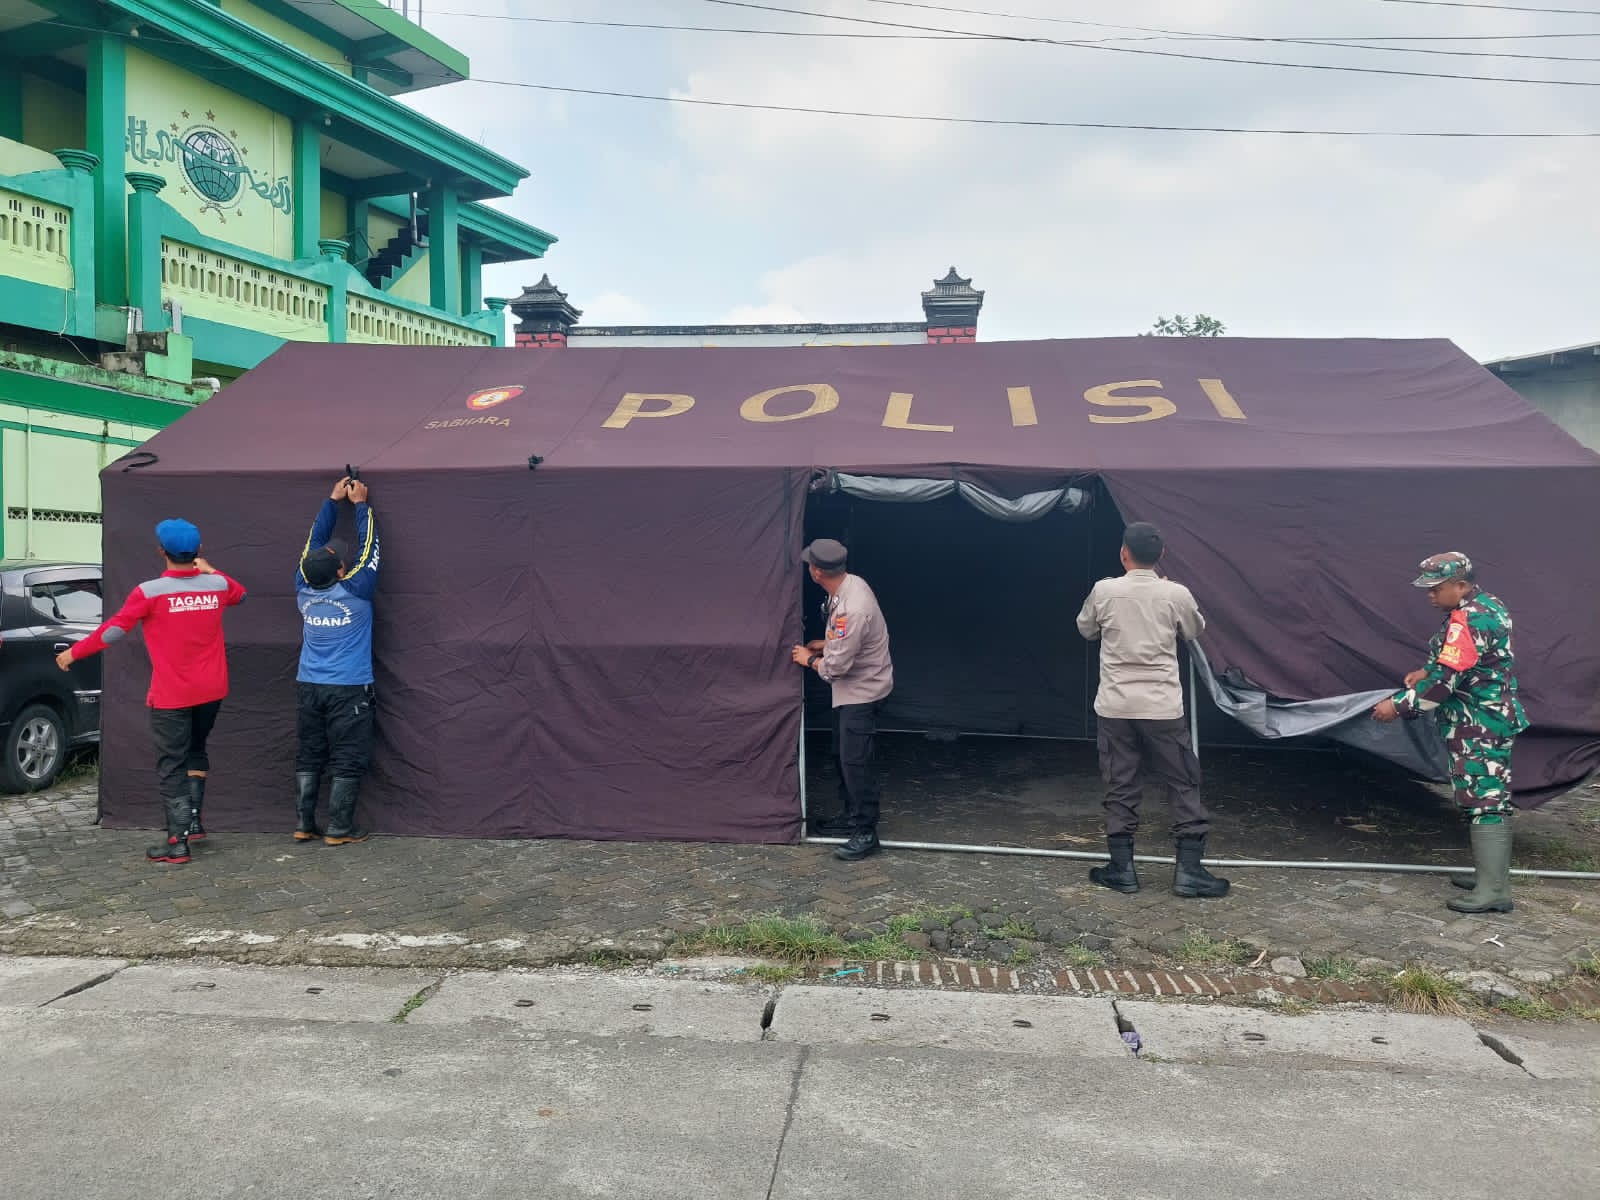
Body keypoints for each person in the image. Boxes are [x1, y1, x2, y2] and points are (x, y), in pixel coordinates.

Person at [55, 519, 246, 864]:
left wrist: (73, 652)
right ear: (198, 551)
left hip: (172, 695)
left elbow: (114, 631)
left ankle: (177, 842)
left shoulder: (150, 592)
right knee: (196, 751)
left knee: (172, 763)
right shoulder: (217, 585)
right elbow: (240, 593)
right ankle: (193, 824)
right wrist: (209, 569)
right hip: (213, 689)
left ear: (161, 551)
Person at [1076, 522, 1229, 899]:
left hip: (1116, 705)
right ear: (1161, 556)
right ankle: (1189, 872)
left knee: (1121, 782)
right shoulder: (1175, 593)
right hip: (1162, 706)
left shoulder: (1105, 590)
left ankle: (1122, 870)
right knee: (1182, 781)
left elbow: (1086, 630)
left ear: (1123, 553)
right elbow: (1194, 630)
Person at [1372, 552, 1527, 914]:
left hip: (1479, 725)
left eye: (1436, 588)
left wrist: (1397, 705)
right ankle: (1492, 877)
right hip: (1492, 719)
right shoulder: (1488, 605)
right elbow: (1458, 660)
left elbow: (1445, 683)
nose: (1429, 595)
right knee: (1490, 798)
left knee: (1484, 801)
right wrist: (1426, 669)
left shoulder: (1466, 620)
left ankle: (1493, 890)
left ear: (1461, 585)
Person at [791, 538, 893, 861]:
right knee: (842, 753)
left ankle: (866, 831)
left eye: (810, 564)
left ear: (816, 572)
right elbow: (845, 640)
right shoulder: (850, 585)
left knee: (855, 761)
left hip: (861, 692)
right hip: (851, 689)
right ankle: (851, 815)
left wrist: (807, 658)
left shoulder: (851, 608)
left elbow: (835, 669)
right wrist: (827, 642)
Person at [294, 475, 380, 846]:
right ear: (341, 572)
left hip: (308, 685)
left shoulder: (302, 586)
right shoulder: (357, 589)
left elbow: (311, 546)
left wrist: (331, 501)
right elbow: (370, 549)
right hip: (349, 688)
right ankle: (339, 829)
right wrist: (361, 505)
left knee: (310, 753)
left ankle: (303, 824)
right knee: (348, 755)